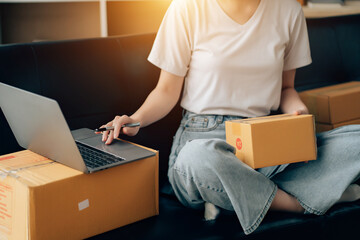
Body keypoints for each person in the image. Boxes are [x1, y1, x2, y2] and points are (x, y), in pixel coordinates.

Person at [99, 0, 360, 235]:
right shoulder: (187, 7)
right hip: (202, 139)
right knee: (196, 160)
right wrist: (134, 119)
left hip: (263, 143)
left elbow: (286, 89)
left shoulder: (288, 9)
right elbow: (166, 91)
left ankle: (232, 197)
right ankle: (299, 204)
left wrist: (299, 116)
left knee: (355, 141)